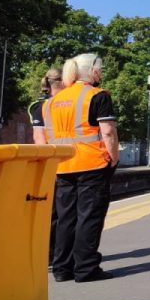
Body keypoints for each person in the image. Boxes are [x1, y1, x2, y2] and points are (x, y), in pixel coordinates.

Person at [42, 53, 119, 283]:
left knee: (66, 217)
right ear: (93, 70)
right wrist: (113, 158)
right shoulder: (98, 96)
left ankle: (61, 268)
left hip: (61, 165)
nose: (101, 73)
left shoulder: (53, 101)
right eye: (100, 69)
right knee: (89, 216)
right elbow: (108, 131)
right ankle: (86, 268)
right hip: (92, 163)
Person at [29, 67, 64, 268]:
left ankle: (51, 256)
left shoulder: (38, 106)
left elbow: (38, 139)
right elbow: (40, 138)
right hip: (61, 163)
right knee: (60, 213)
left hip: (49, 163)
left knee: (52, 213)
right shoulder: (49, 106)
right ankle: (55, 256)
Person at [29, 68, 64, 145]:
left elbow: (38, 135)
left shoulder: (39, 105)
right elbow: (39, 136)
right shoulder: (41, 105)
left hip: (60, 152)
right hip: (55, 152)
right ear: (63, 82)